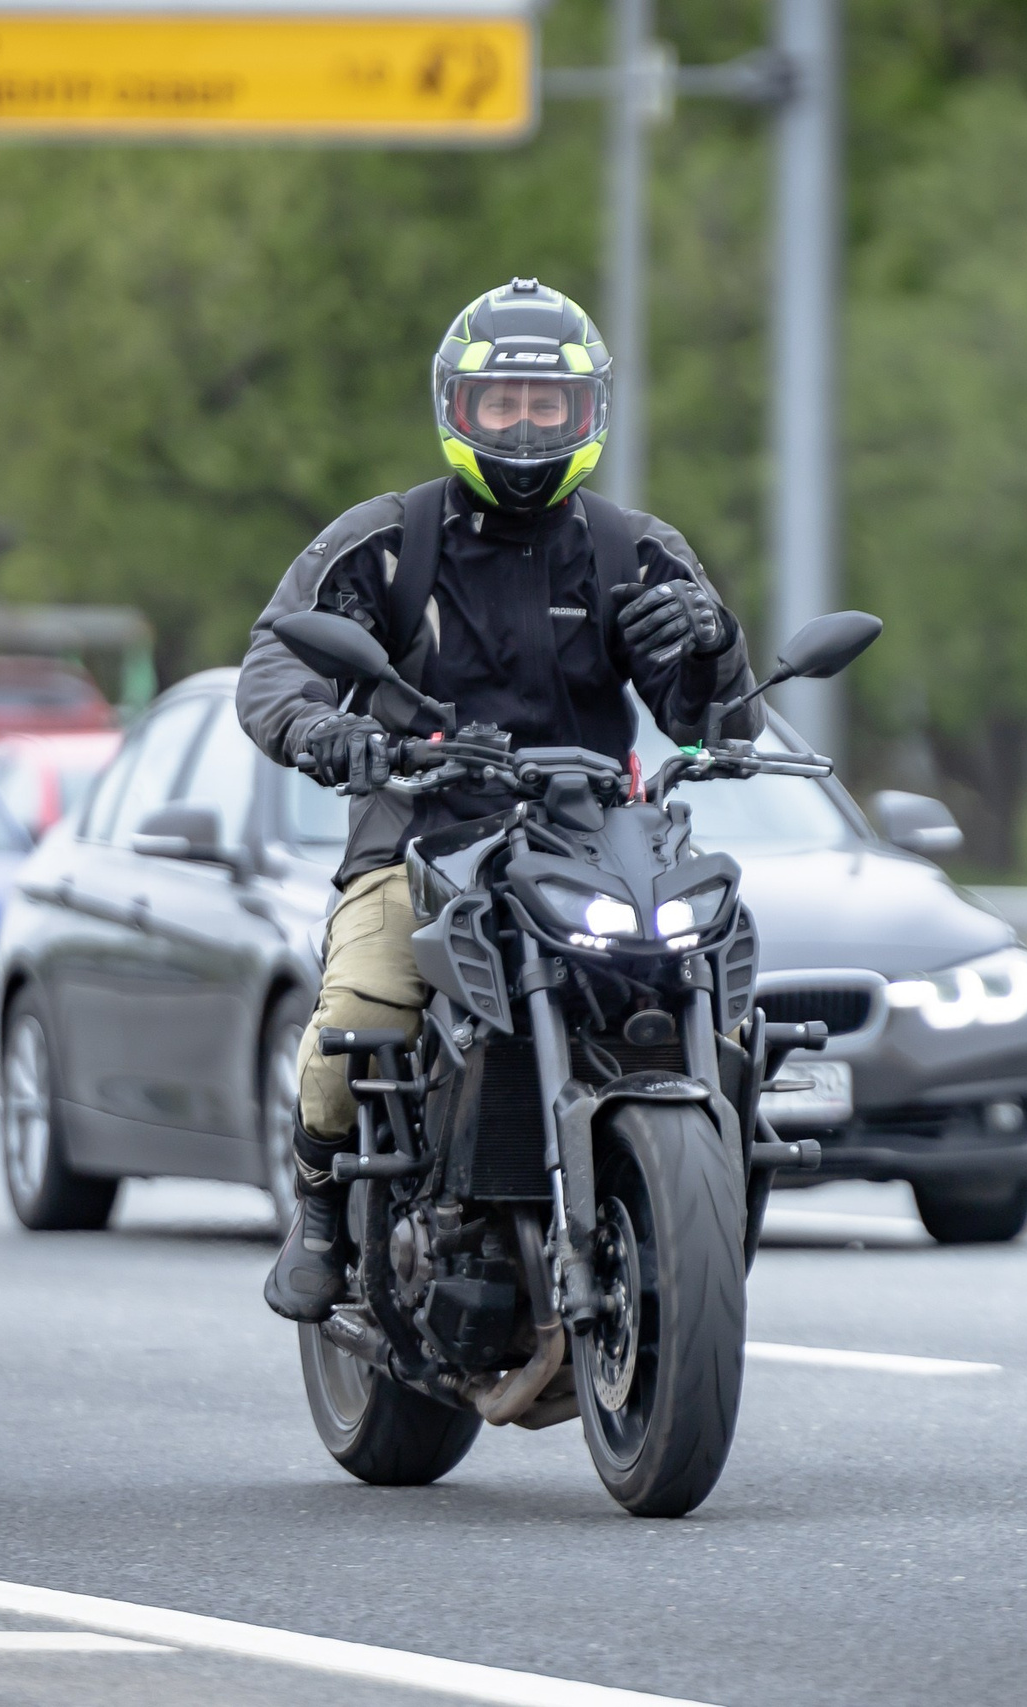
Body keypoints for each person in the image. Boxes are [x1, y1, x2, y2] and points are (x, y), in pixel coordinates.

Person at [236, 277, 763, 1321]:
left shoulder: (633, 551)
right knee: (359, 1009)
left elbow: (715, 721)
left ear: (585, 415)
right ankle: (317, 1209)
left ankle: (700, 1183)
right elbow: (272, 664)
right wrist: (326, 730)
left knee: (722, 993)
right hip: (423, 834)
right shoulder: (387, 542)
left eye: (545, 405)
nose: (524, 425)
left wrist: (711, 643)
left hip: (597, 842)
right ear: (457, 410)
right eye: (501, 404)